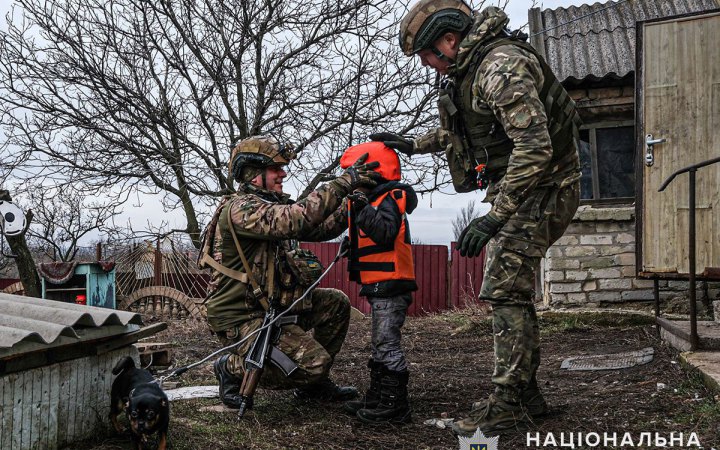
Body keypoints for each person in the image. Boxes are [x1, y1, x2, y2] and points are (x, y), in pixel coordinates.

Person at [372, 0, 582, 436]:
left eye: (429, 55)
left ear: (449, 41)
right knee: (512, 289)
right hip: (528, 188)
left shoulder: (499, 68)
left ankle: (506, 403)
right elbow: (465, 131)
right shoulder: (472, 70)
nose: (429, 66)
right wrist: (412, 145)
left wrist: (494, 217)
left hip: (548, 187)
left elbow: (535, 147)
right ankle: (527, 396)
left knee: (503, 286)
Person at [199, 135, 381, 409]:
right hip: (241, 317)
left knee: (335, 303)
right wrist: (343, 182)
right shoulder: (241, 208)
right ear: (253, 173)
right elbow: (295, 219)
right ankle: (231, 367)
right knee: (313, 364)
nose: (283, 173)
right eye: (275, 168)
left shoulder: (268, 205)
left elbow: (318, 227)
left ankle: (313, 388)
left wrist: (352, 203)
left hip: (271, 307)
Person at [338, 141, 418, 424]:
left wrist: (361, 210)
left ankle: (395, 405)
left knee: (387, 344)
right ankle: (377, 395)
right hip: (379, 283)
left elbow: (384, 233)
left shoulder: (389, 198)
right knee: (378, 344)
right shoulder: (374, 201)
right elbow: (374, 235)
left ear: (374, 170)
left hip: (391, 283)